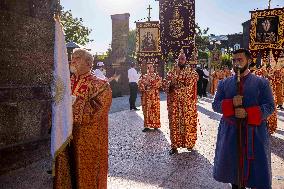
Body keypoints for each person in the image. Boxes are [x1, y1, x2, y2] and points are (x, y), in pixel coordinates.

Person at [212, 48, 275, 189]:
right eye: (234, 60)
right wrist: (230, 104)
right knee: (234, 174)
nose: (236, 63)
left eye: (240, 60)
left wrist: (248, 113)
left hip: (255, 135)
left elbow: (270, 107)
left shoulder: (262, 83)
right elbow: (215, 105)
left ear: (249, 60)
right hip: (231, 134)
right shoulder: (224, 83)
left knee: (256, 174)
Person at [54, 49, 112, 189]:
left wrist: (74, 105)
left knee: (85, 173)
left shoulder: (100, 85)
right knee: (66, 169)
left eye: (77, 58)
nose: (72, 60)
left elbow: (99, 109)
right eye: (72, 57)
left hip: (88, 140)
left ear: (88, 63)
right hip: (65, 136)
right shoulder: (65, 83)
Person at [163, 49, 199, 155]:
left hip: (186, 103)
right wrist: (172, 83)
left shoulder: (190, 71)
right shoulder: (172, 70)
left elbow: (194, 79)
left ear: (186, 60)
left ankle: (189, 143)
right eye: (180, 59)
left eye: (183, 59)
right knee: (174, 123)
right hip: (174, 103)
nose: (181, 60)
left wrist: (179, 82)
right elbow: (166, 84)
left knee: (187, 122)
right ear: (178, 60)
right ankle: (174, 146)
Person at [138, 63, 162, 132]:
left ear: (153, 68)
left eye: (151, 67)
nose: (149, 68)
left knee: (155, 110)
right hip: (146, 97)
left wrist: (149, 82)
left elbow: (158, 84)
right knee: (146, 111)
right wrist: (144, 86)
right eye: (148, 67)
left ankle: (156, 125)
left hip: (154, 96)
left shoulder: (156, 76)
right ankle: (146, 126)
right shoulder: (144, 76)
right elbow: (140, 84)